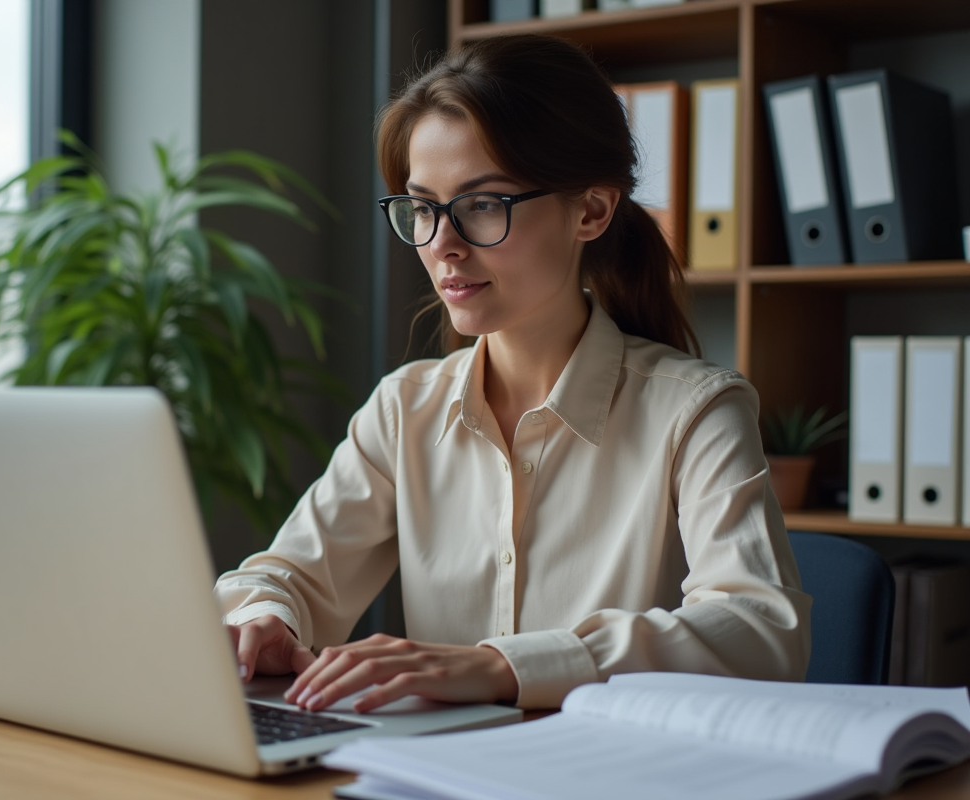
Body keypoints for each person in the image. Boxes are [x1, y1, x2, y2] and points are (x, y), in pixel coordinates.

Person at [214, 33, 810, 713]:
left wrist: (501, 667)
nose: (442, 245)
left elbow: (763, 633)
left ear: (590, 210)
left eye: (482, 204)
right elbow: (287, 575)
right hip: (430, 776)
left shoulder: (697, 411)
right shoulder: (404, 410)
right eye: (422, 207)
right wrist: (265, 617)